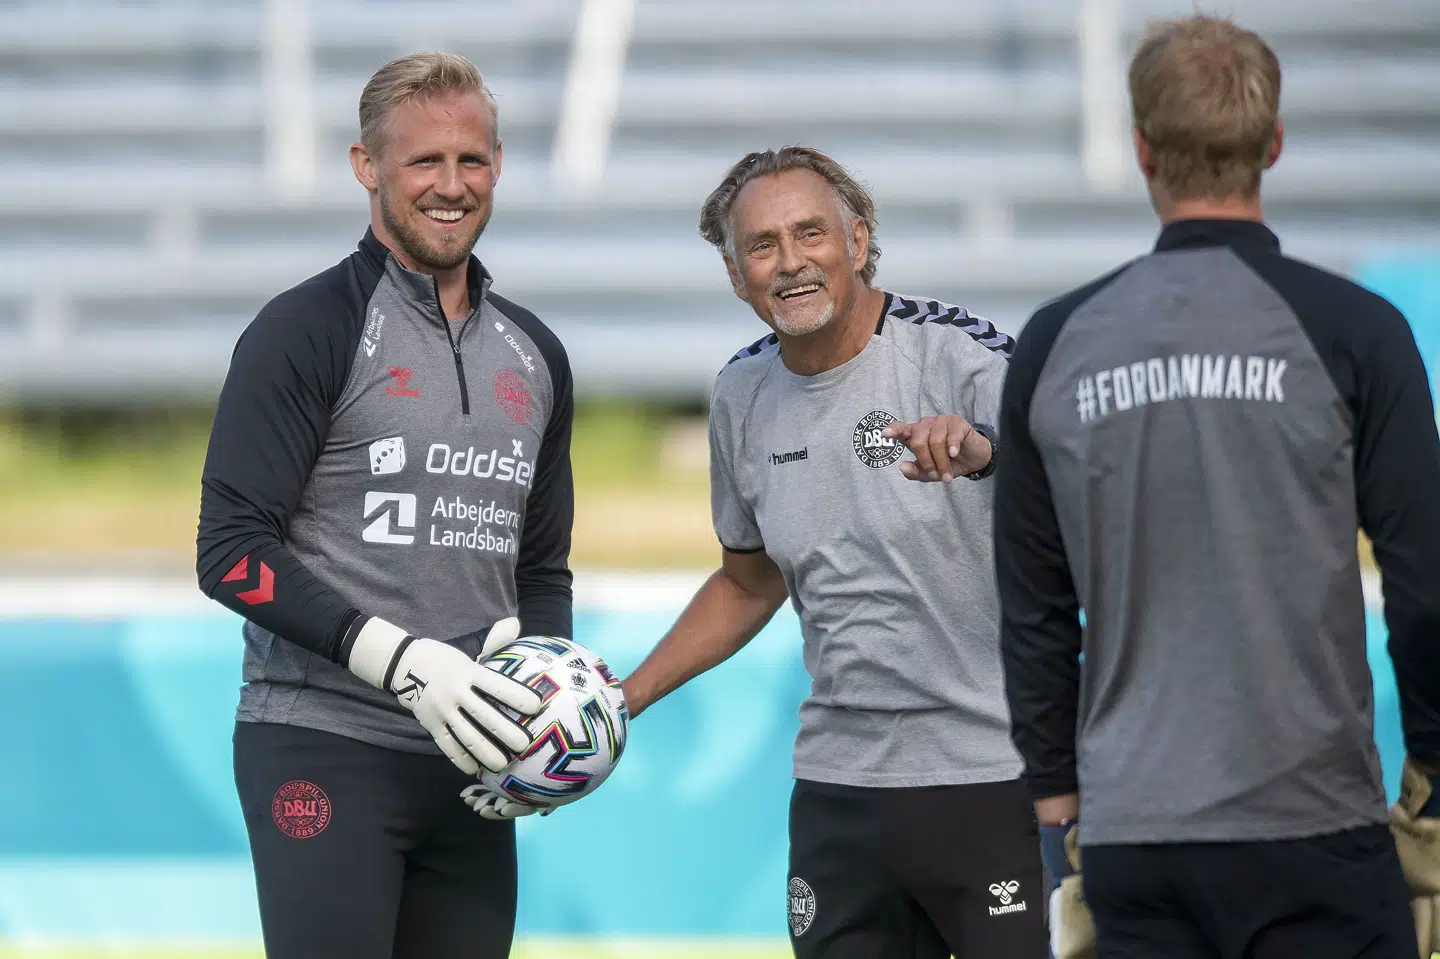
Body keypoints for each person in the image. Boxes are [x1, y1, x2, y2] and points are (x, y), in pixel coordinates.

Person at [993, 15, 1440, 959]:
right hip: (1319, 826)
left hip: (1133, 839)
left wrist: (1057, 823)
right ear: (1273, 142)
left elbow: (1034, 613)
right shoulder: (1358, 331)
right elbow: (1426, 586)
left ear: (1142, 147)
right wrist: (1433, 790)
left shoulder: (1055, 342)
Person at [621, 145, 1047, 958]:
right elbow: (749, 583)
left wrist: (990, 452)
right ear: (735, 274)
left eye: (810, 234)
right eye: (762, 245)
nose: (790, 263)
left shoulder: (960, 356)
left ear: (857, 240)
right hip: (839, 793)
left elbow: (1080, 475)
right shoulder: (740, 395)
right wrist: (622, 697)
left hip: (994, 778)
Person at [195, 52, 575, 959]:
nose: (451, 186)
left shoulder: (538, 353)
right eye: (423, 163)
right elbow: (231, 551)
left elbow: (540, 566)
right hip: (322, 745)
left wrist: (543, 703)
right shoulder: (306, 328)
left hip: (474, 763)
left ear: (497, 165)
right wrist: (403, 661)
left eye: (472, 161)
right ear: (368, 167)